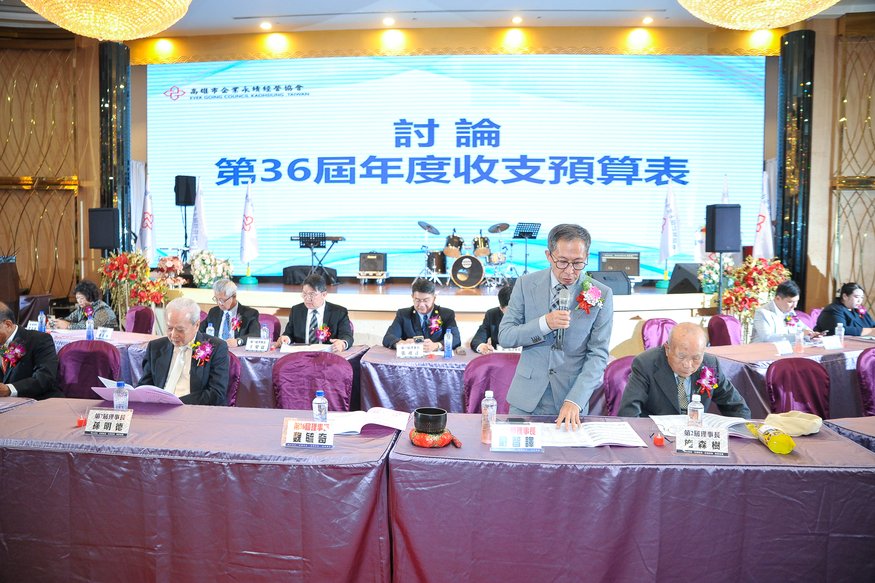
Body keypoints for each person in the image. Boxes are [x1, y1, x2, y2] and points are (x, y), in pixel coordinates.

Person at [498, 223, 613, 430]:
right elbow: (506, 336)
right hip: (526, 399)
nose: (570, 271)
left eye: (577, 263)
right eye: (562, 262)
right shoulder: (525, 284)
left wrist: (576, 400)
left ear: (587, 257)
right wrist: (545, 324)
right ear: (549, 256)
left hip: (570, 400)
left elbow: (598, 354)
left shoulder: (600, 293)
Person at [618, 322, 751, 418]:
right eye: (681, 356)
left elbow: (737, 407)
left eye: (696, 358)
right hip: (657, 438)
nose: (688, 365)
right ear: (667, 349)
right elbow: (629, 412)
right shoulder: (645, 364)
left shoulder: (710, 364)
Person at [139, 297, 229, 405]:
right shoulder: (156, 347)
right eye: (169, 328)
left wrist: (175, 403)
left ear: (196, 325)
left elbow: (216, 393)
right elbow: (145, 387)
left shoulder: (216, 348)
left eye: (180, 330)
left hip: (194, 409)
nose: (173, 335)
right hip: (159, 409)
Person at [276, 274, 354, 353]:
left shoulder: (338, 312)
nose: (307, 298)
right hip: (302, 356)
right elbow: (289, 334)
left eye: (312, 294)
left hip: (327, 357)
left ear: (324, 294)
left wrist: (342, 343)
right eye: (304, 294)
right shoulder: (296, 310)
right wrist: (286, 338)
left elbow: (347, 336)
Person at [0, 301, 61, 399]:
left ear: (8, 324)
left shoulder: (39, 340)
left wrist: (9, 389)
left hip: (39, 401)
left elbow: (45, 378)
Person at [383, 279, 461, 352]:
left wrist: (437, 345)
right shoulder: (403, 314)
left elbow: (456, 339)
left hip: (436, 359)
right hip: (411, 359)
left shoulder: (446, 314)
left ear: (434, 298)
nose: (421, 305)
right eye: (417, 300)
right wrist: (402, 343)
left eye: (426, 300)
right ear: (412, 297)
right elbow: (388, 338)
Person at [751, 280, 820, 343]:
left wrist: (812, 335)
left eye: (796, 301)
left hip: (786, 349)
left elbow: (802, 327)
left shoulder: (790, 312)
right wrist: (798, 335)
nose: (795, 306)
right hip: (764, 351)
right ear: (778, 298)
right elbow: (767, 338)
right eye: (790, 302)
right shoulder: (762, 313)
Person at [199, 278, 261, 347]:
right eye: (216, 299)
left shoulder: (249, 314)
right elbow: (199, 330)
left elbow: (255, 334)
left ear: (234, 296)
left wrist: (238, 341)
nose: (219, 303)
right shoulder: (214, 312)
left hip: (236, 351)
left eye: (222, 300)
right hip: (216, 350)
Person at [50, 280, 118, 330]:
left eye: (82, 298)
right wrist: (55, 322)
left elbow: (91, 327)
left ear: (90, 296)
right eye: (77, 298)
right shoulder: (82, 309)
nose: (79, 301)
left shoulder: (102, 309)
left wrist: (69, 326)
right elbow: (68, 319)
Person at [470, 284, 513, 354]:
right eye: (510, 311)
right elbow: (477, 340)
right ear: (501, 308)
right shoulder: (492, 314)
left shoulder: (530, 315)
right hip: (500, 358)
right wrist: (481, 346)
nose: (514, 314)